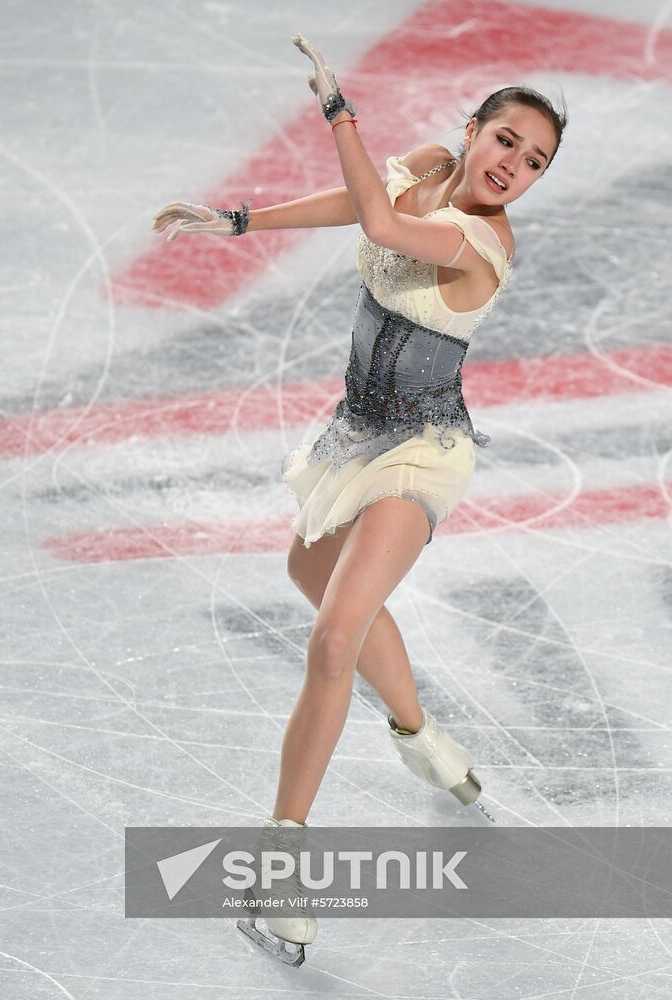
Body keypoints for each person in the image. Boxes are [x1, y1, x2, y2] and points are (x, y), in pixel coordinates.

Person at [152, 34, 567, 966]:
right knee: (310, 571)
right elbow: (363, 204)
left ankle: (280, 864)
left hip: (421, 449)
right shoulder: (429, 172)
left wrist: (338, 110)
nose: (513, 166)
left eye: (533, 161)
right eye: (505, 140)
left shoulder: (481, 244)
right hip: (354, 430)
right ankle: (423, 739)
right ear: (473, 130)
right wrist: (239, 221)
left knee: (336, 635)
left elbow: (382, 228)